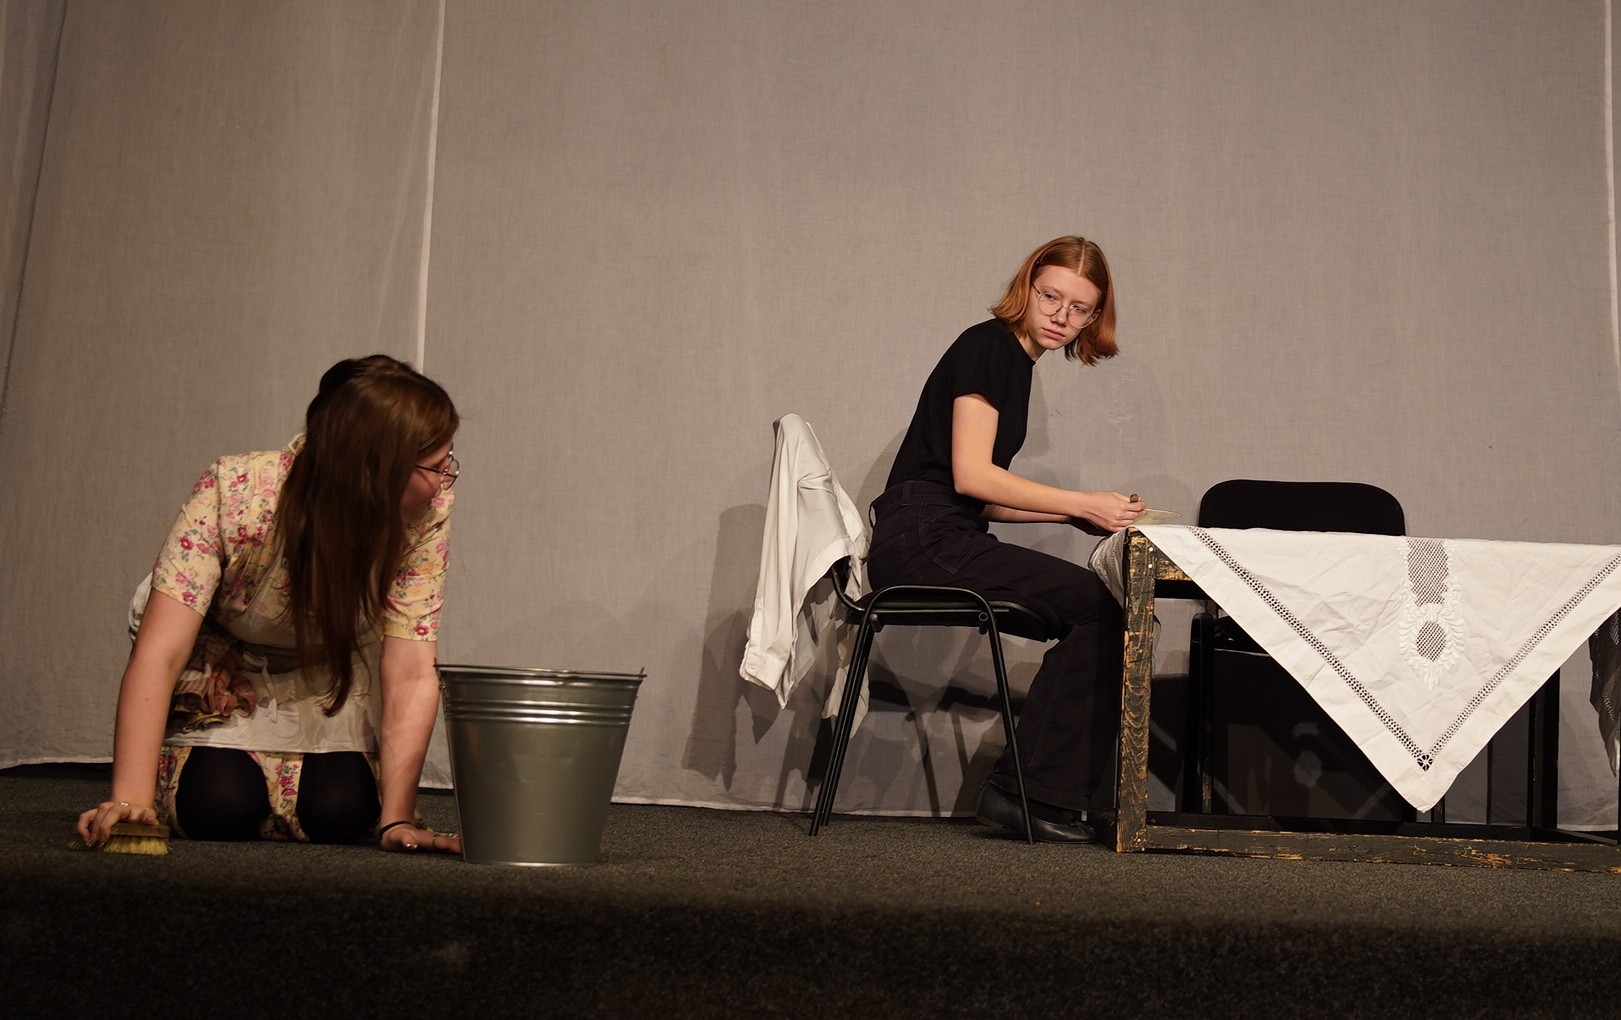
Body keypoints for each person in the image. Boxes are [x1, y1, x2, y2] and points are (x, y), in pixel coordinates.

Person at [76, 355, 464, 855]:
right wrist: (130, 799)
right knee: (218, 804)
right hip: (226, 656)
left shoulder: (427, 510)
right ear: (374, 470)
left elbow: (411, 668)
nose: (445, 479)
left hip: (324, 661)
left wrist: (398, 818)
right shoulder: (239, 492)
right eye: (435, 467)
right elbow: (161, 652)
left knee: (342, 812)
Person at [867, 235, 1142, 843]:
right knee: (1101, 610)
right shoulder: (989, 346)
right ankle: (1029, 794)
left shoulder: (1014, 364)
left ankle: (1035, 793)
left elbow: (976, 496)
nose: (1061, 316)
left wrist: (1072, 519)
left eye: (1079, 308)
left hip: (935, 530)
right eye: (1050, 297)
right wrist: (1081, 501)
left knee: (1102, 609)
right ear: (1027, 286)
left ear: (1094, 316)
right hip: (922, 536)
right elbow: (971, 477)